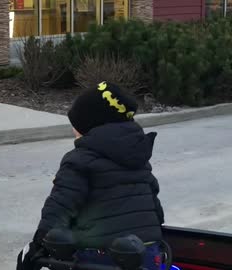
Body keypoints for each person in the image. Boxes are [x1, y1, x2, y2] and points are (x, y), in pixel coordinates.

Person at [17, 81, 165, 270]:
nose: (73, 129)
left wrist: (38, 246)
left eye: (76, 124)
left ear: (90, 125)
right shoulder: (138, 157)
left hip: (99, 259)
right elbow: (155, 209)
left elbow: (59, 208)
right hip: (147, 255)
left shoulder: (79, 160)